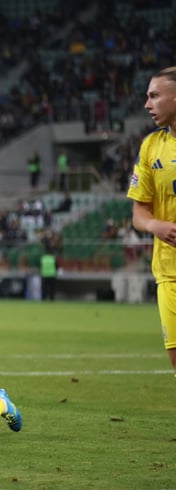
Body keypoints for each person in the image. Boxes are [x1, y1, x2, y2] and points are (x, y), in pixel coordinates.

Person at [127, 66, 176, 374]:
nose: (147, 105)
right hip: (170, 272)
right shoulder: (151, 146)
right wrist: (155, 225)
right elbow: (139, 213)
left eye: (155, 96)